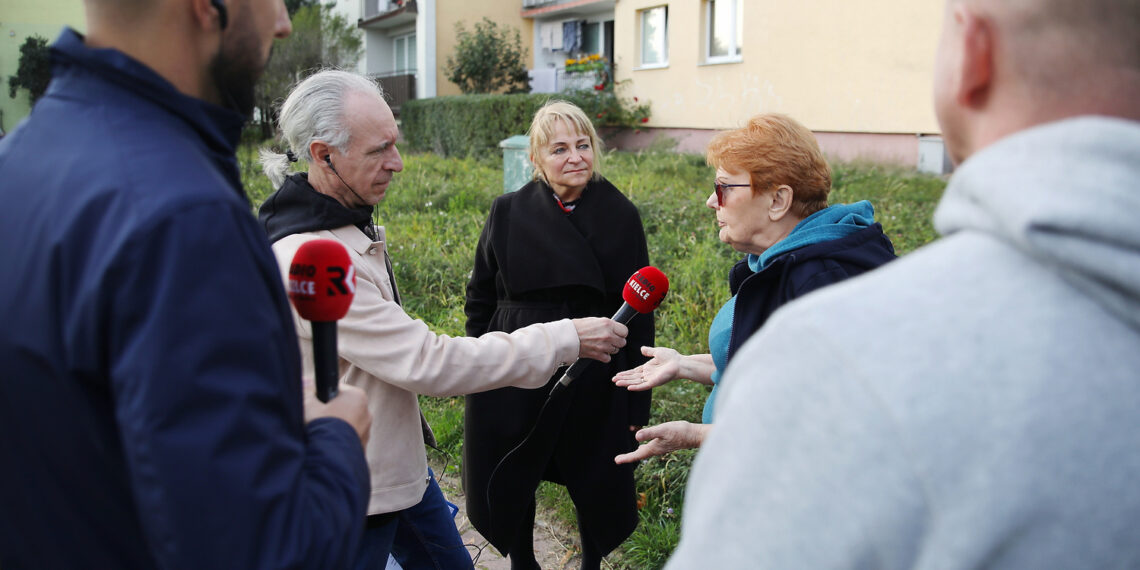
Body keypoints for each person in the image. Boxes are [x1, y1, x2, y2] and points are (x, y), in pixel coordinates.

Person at [667, 0, 1140, 568]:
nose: (712, 201)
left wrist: (709, 433)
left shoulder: (830, 342)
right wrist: (693, 365)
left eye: (723, 188)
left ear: (971, 54)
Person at [0, 0, 374, 568]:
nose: (283, 22)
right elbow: (266, 553)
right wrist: (336, 441)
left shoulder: (20, 159)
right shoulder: (182, 219)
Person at [257, 71, 629, 570]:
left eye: (396, 143)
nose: (399, 163)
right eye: (379, 151)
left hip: (397, 471)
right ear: (324, 155)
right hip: (353, 490)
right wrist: (564, 337)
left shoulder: (342, 225)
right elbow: (426, 362)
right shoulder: (314, 259)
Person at [610, 113, 896, 464]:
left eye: (723, 188)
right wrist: (684, 364)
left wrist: (695, 435)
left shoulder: (819, 283)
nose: (711, 202)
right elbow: (767, 371)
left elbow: (816, 422)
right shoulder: (782, 261)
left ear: (778, 201)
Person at [462, 100, 655, 570]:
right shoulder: (506, 212)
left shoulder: (621, 214)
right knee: (514, 466)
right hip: (519, 361)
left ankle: (592, 561)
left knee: (594, 471)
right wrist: (477, 366)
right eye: (560, 149)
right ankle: (522, 560)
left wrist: (637, 398)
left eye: (583, 145)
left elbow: (640, 310)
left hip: (595, 366)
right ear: (536, 159)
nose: (575, 157)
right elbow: (480, 298)